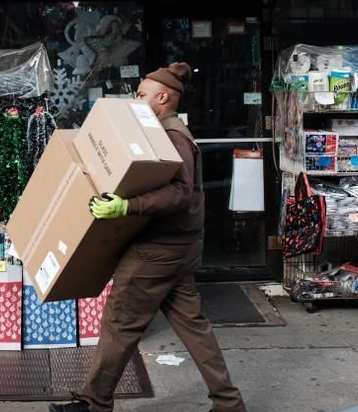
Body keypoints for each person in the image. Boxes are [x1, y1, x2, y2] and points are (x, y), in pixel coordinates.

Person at [49, 62, 246, 412]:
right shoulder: (164, 131)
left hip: (158, 251)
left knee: (119, 323)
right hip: (180, 247)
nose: (136, 99)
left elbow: (181, 193)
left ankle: (94, 404)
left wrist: (127, 206)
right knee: (193, 327)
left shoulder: (173, 136)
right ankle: (228, 403)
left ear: (164, 96)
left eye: (141, 94)